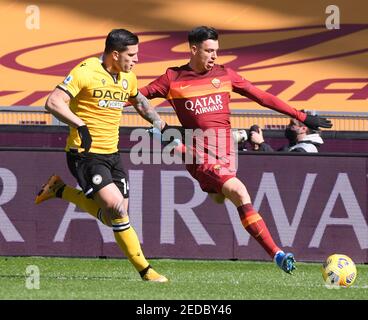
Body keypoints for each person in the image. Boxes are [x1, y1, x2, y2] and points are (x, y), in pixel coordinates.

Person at [140, 26, 333, 274]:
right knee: (240, 192)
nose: (214, 56)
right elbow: (138, 97)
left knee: (220, 197)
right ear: (194, 49)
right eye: (209, 51)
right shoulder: (172, 78)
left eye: (216, 51)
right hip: (202, 157)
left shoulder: (226, 75)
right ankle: (278, 254)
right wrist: (106, 103)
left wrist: (302, 116)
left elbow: (262, 97)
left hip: (226, 154)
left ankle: (173, 142)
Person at [34, 29, 168, 282]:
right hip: (84, 154)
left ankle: (60, 189)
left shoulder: (128, 77)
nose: (136, 59)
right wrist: (80, 125)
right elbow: (53, 102)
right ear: (115, 54)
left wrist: (160, 124)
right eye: (132, 54)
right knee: (117, 209)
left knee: (114, 217)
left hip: (112, 153)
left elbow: (139, 102)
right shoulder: (85, 71)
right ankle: (146, 271)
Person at [249, 116, 324, 152]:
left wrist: (261, 143)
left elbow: (278, 163)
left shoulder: (306, 148)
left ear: (303, 129)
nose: (288, 126)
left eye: (292, 124)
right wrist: (257, 147)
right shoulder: (293, 146)